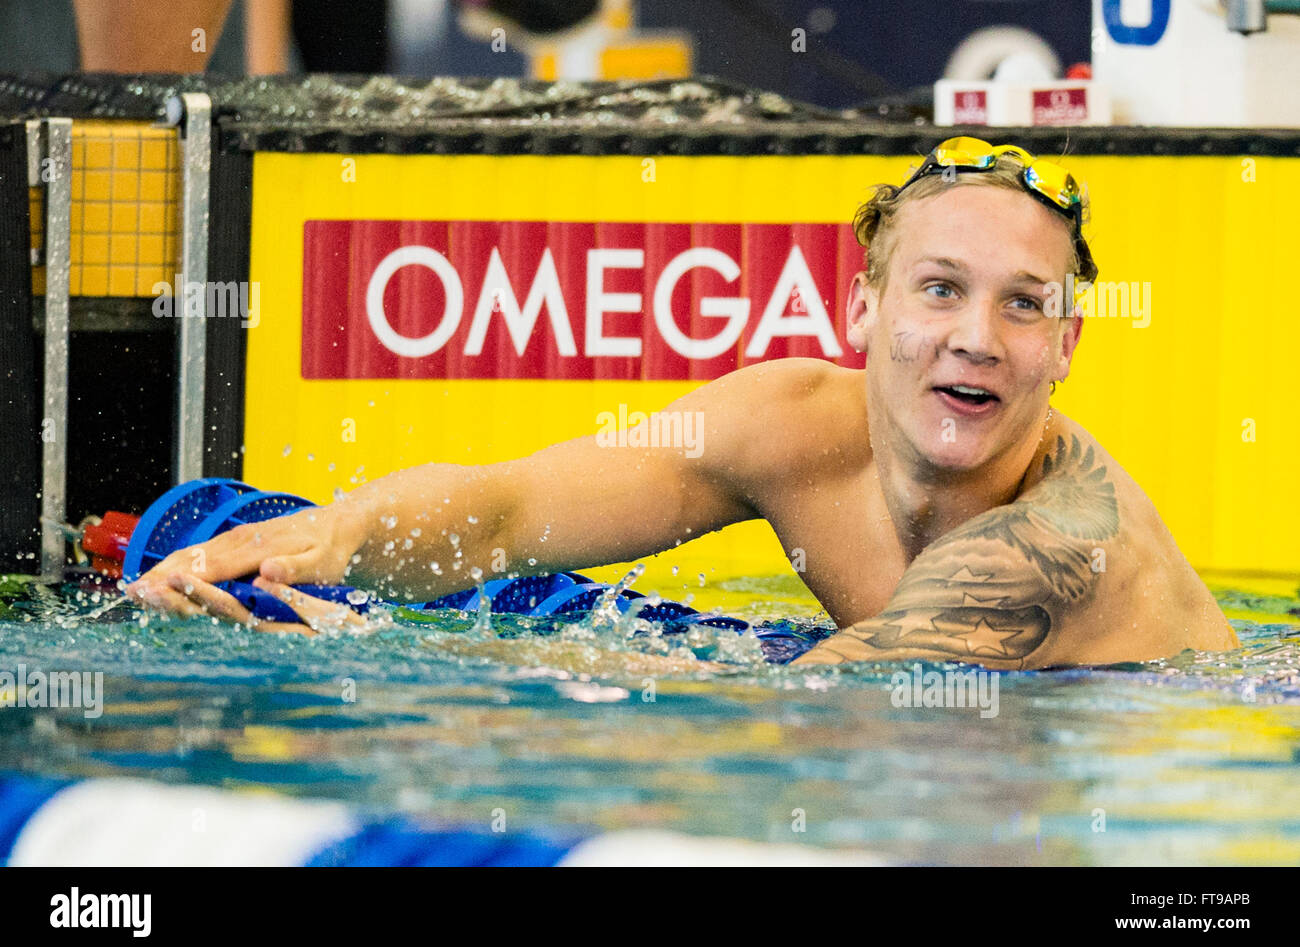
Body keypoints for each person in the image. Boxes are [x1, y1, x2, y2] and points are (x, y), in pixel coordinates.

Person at [127, 137, 1240, 668]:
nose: (973, 340)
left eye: (1022, 307)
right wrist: (318, 545)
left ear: (1067, 348)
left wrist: (374, 652)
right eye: (939, 290)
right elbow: (512, 510)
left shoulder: (1055, 551)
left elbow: (781, 719)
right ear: (863, 308)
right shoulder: (788, 420)